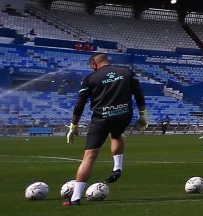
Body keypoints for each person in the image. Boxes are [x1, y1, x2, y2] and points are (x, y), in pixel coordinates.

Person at [62, 53, 145, 206]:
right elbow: (139, 94)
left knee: (89, 156)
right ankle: (117, 168)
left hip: (102, 118)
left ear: (94, 64)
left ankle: (75, 198)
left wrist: (73, 126)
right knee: (116, 135)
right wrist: (143, 116)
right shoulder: (127, 73)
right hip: (124, 115)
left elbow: (80, 104)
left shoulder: (90, 78)